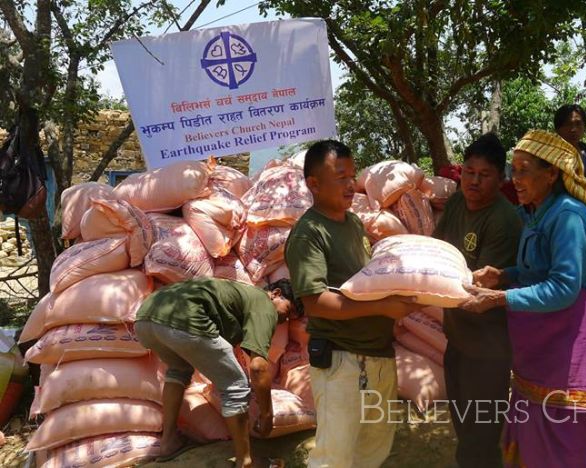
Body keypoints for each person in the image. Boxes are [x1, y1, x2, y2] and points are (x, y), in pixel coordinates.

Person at [461, 130, 586, 468]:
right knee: (532, 434)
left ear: (552, 173)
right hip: (543, 348)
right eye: (514, 169)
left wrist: (499, 297)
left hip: (571, 348)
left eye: (524, 170)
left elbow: (565, 286)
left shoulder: (568, 216)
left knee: (562, 441)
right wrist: (506, 274)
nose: (516, 179)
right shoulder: (537, 211)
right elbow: (539, 268)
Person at [284, 139, 420, 468]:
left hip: (377, 354)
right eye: (341, 176)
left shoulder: (354, 223)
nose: (350, 184)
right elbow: (316, 302)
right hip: (342, 361)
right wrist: (383, 307)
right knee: (335, 457)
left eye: (352, 176)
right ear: (313, 184)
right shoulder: (309, 233)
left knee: (373, 452)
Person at [134, 277, 299, 467]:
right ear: (276, 293)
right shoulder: (263, 302)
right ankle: (245, 462)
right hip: (183, 319)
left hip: (145, 318)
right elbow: (258, 367)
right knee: (236, 386)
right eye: (288, 311)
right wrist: (266, 414)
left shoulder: (241, 296)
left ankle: (168, 443)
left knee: (178, 370)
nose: (285, 320)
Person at [433, 133, 522, 468]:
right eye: (469, 171)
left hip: (489, 348)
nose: (473, 181)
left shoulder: (504, 220)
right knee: (463, 426)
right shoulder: (457, 201)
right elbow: (438, 248)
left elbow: (475, 287)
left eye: (484, 175)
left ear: (501, 180)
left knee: (481, 436)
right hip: (457, 337)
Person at [554, 104, 586, 184]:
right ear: (557, 129)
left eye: (578, 124)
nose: (573, 129)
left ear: (584, 127)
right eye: (568, 124)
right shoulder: (547, 155)